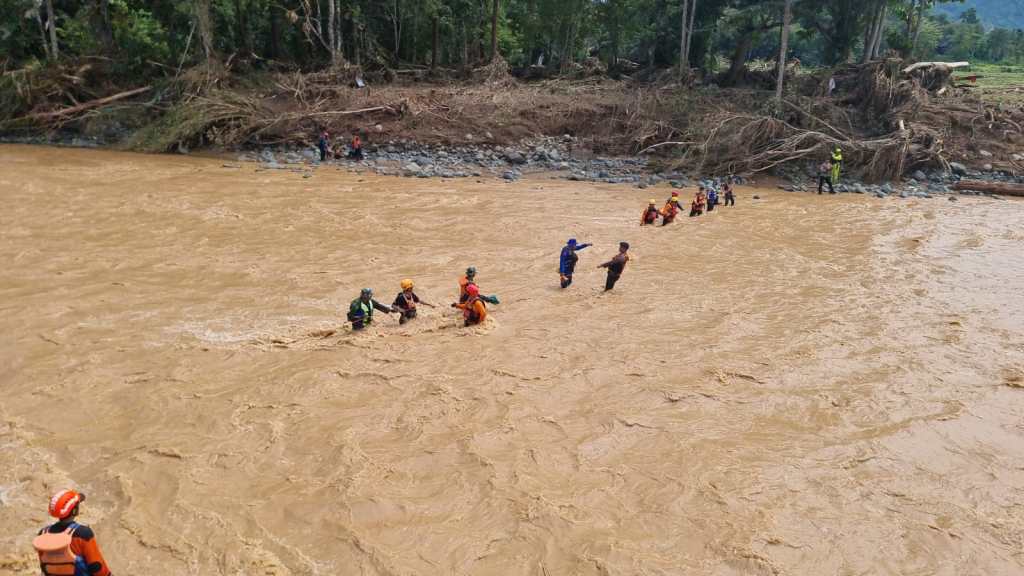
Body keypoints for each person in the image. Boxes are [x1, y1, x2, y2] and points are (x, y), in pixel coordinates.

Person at [33, 489, 112, 576]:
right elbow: (96, 567)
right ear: (74, 510)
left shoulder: (42, 534)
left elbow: (44, 567)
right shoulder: (83, 534)